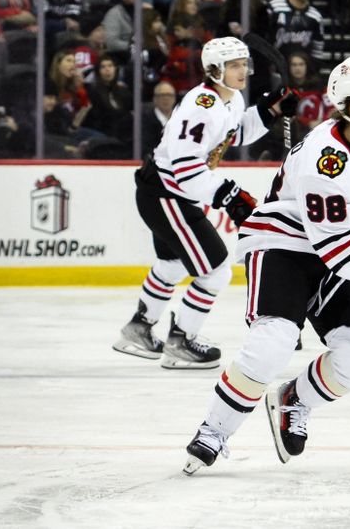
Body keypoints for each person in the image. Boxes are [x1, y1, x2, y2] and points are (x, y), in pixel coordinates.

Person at [181, 55, 350, 475]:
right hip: (284, 242)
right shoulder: (325, 163)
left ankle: (295, 399)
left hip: (345, 242)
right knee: (275, 342)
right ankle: (214, 430)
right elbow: (338, 247)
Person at [112, 37, 298, 369]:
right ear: (214, 70)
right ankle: (181, 342)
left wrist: (269, 111)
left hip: (164, 194)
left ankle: (137, 330)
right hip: (168, 195)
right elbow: (186, 170)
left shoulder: (230, 100)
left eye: (244, 64)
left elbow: (234, 135)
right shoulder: (201, 106)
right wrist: (229, 195)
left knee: (172, 266)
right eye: (235, 65)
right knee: (215, 272)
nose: (243, 71)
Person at [141, 80, 177, 157]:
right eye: (162, 95)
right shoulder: (145, 122)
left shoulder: (180, 120)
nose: (166, 98)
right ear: (155, 99)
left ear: (174, 98)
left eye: (169, 95)